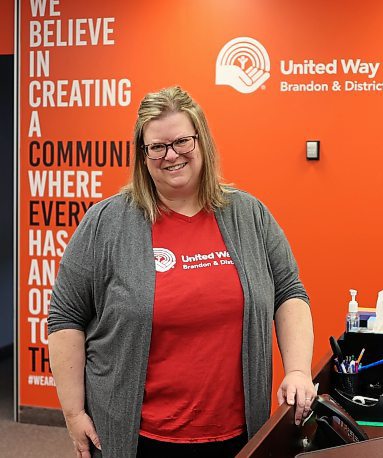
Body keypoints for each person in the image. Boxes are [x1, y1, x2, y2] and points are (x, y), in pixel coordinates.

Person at [48, 86, 315, 458]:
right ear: (143, 155)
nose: (171, 155)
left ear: (201, 141)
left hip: (238, 435)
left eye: (182, 141)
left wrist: (299, 370)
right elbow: (65, 317)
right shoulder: (106, 223)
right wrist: (73, 412)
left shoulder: (249, 215)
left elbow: (289, 293)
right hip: (140, 439)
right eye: (157, 147)